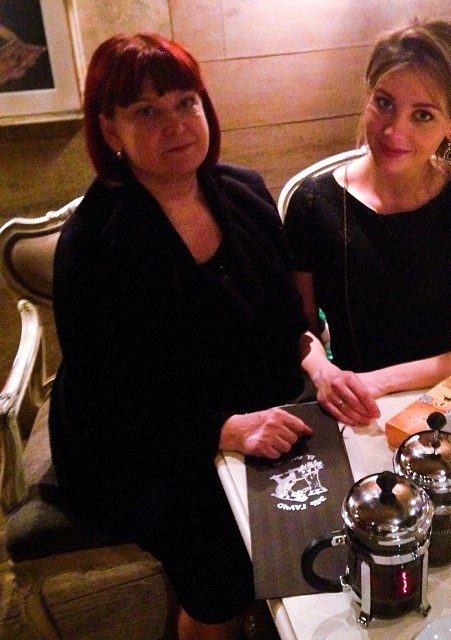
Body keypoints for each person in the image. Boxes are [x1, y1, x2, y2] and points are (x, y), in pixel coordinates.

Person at [48, 33, 366, 640]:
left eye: (185, 102)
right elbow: (108, 398)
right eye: (147, 111)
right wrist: (227, 429)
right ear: (111, 130)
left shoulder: (244, 191)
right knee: (221, 555)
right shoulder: (91, 245)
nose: (176, 125)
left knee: (337, 500)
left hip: (250, 401)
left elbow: (287, 322)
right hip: (139, 441)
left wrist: (321, 367)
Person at [284, 19, 451, 418]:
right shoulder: (312, 203)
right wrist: (323, 371)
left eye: (423, 115)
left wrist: (383, 380)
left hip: (449, 396)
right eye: (384, 103)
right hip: (359, 403)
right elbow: (298, 327)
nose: (394, 130)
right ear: (368, 96)